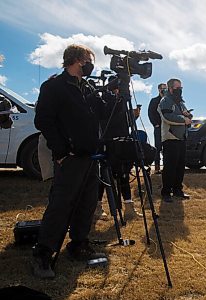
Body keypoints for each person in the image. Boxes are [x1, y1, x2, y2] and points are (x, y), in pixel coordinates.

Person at [32, 44, 106, 279]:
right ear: (75, 60)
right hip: (70, 157)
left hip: (89, 156)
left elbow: (102, 112)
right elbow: (43, 119)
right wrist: (61, 150)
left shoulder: (86, 87)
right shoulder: (55, 86)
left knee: (87, 202)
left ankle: (78, 244)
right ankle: (43, 253)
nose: (90, 64)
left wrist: (115, 93)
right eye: (87, 60)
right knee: (61, 204)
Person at [94, 79, 143, 221]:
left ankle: (129, 207)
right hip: (108, 144)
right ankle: (98, 207)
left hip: (123, 142)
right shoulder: (107, 102)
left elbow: (124, 124)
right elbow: (107, 121)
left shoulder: (122, 103)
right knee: (104, 177)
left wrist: (133, 116)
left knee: (124, 176)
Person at [157, 78, 191, 202]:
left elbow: (184, 113)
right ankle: (166, 192)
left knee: (180, 166)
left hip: (181, 138)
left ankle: (177, 190)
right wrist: (183, 119)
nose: (180, 91)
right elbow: (167, 117)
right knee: (170, 166)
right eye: (177, 88)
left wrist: (188, 116)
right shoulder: (165, 101)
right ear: (170, 89)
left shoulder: (180, 102)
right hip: (170, 138)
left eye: (181, 88)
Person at [148, 83, 167, 174]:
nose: (164, 90)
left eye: (165, 88)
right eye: (162, 89)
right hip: (158, 127)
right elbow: (150, 113)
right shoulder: (154, 100)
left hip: (168, 128)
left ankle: (166, 167)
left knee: (167, 148)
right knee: (158, 147)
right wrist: (155, 124)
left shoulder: (169, 100)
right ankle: (157, 168)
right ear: (159, 89)